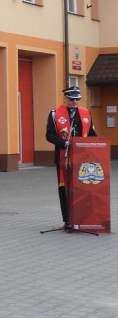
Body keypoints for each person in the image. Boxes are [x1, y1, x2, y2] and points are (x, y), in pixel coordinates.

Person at [46, 85, 96, 226]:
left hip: (83, 157)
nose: (75, 101)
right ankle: (67, 220)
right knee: (65, 188)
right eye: (72, 99)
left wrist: (98, 147)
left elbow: (92, 134)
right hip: (64, 156)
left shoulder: (86, 113)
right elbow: (49, 135)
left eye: (78, 99)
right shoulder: (55, 114)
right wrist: (64, 143)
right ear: (65, 98)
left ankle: (82, 218)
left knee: (83, 187)